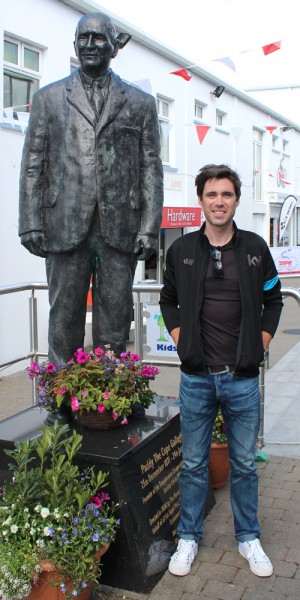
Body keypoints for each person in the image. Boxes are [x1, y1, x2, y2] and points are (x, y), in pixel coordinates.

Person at [19, 11, 163, 365]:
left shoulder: (140, 103)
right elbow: (33, 163)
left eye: (98, 38)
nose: (90, 45)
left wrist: (149, 227)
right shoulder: (48, 99)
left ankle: (111, 403)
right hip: (63, 224)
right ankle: (59, 403)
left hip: (120, 230)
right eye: (83, 38)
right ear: (74, 45)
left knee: (114, 323)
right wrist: (30, 222)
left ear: (113, 46)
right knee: (63, 320)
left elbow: (151, 168)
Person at [159, 164, 282, 578]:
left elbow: (275, 299)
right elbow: (169, 299)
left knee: (245, 465)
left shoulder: (255, 249)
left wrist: (260, 345)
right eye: (211, 194)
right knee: (193, 464)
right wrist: (181, 339)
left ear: (236, 200)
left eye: (226, 194)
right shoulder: (181, 251)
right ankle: (189, 538)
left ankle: (248, 537)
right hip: (196, 377)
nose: (218, 201)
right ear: (200, 200)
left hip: (243, 378)